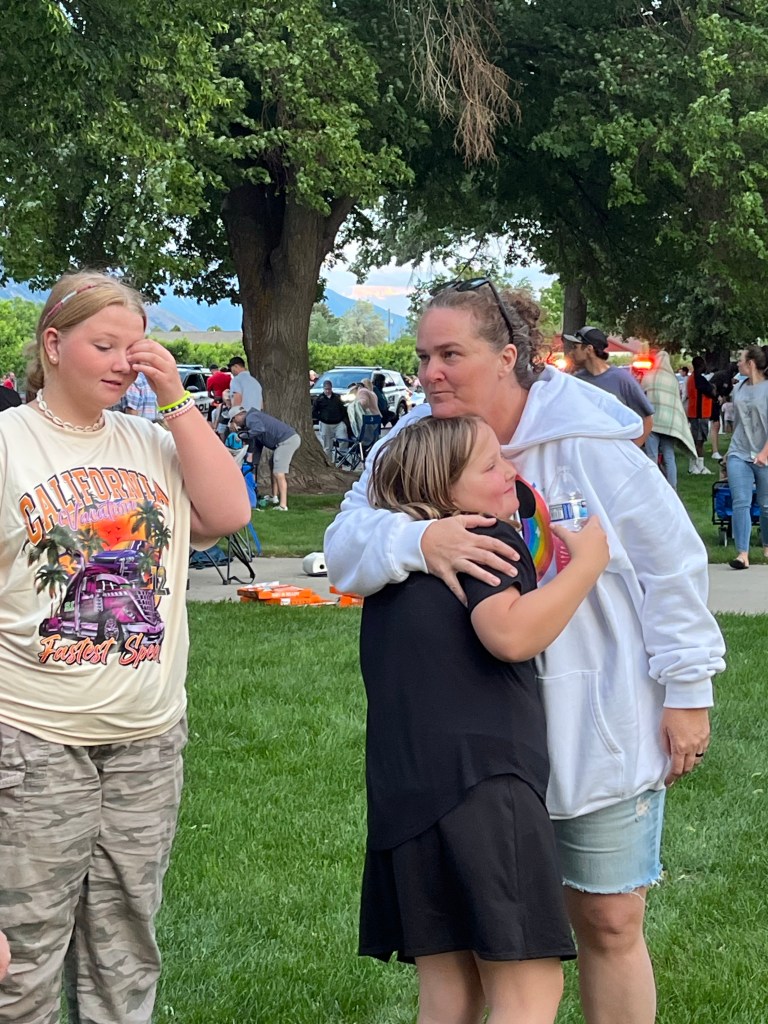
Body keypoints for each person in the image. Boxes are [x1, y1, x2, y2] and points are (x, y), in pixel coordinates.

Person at [325, 278, 725, 1024]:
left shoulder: (590, 441)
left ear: (507, 356)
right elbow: (344, 545)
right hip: (477, 748)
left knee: (609, 918)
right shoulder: (409, 441)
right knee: (487, 948)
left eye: (450, 355)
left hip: (593, 715)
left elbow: (673, 566)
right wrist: (419, 539)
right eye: (423, 356)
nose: (430, 373)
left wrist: (688, 690)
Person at [0, 271, 251, 1022]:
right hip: (33, 739)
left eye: (134, 347)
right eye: (103, 345)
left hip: (147, 741)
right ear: (52, 344)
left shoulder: (153, 442)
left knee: (126, 950)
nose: (123, 363)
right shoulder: (10, 444)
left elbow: (228, 512)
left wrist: (175, 398)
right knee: (23, 960)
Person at [360, 413, 609, 1023]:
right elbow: (509, 634)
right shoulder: (484, 536)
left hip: (406, 794)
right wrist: (587, 564)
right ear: (445, 491)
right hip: (487, 785)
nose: (510, 473)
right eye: (491, 465)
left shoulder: (395, 560)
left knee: (450, 992)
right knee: (528, 989)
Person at [563, 327, 654, 445]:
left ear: (589, 349)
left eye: (575, 347)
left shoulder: (621, 379)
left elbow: (647, 420)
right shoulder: (577, 381)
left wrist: (631, 450)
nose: (571, 352)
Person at [724, 345, 768, 569]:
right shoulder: (738, 388)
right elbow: (739, 422)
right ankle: (743, 554)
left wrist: (764, 453)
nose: (738, 363)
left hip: (765, 453)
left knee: (766, 504)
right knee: (740, 502)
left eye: (740, 359)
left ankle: (767, 545)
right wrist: (729, 453)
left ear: (751, 363)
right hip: (739, 452)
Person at [639, 350, 697, 491]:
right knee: (669, 456)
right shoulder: (673, 380)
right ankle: (672, 488)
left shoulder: (649, 376)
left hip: (652, 422)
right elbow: (676, 400)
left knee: (652, 455)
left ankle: (653, 488)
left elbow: (641, 395)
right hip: (669, 423)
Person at [229, 406, 301, 510]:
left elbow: (259, 429)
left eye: (233, 420)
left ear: (238, 416)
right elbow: (258, 444)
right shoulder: (252, 420)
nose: (234, 423)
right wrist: (254, 463)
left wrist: (244, 435)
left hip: (287, 441)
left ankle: (283, 505)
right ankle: (274, 497)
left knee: (279, 472)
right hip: (285, 441)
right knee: (272, 465)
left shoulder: (251, 418)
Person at [686, 355, 716, 474]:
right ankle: (698, 466)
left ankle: (696, 465)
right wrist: (713, 388)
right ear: (701, 365)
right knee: (699, 440)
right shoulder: (699, 379)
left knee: (697, 439)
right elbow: (711, 391)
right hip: (700, 413)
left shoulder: (691, 378)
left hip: (694, 412)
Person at [312, 379, 349, 460]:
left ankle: (342, 458)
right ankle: (329, 461)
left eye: (329, 389)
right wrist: (322, 418)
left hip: (338, 423)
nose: (327, 391)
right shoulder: (319, 399)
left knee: (344, 440)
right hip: (325, 424)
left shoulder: (337, 397)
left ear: (331, 388)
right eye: (326, 389)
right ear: (323, 389)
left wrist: (341, 418)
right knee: (328, 445)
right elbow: (314, 411)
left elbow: (343, 409)